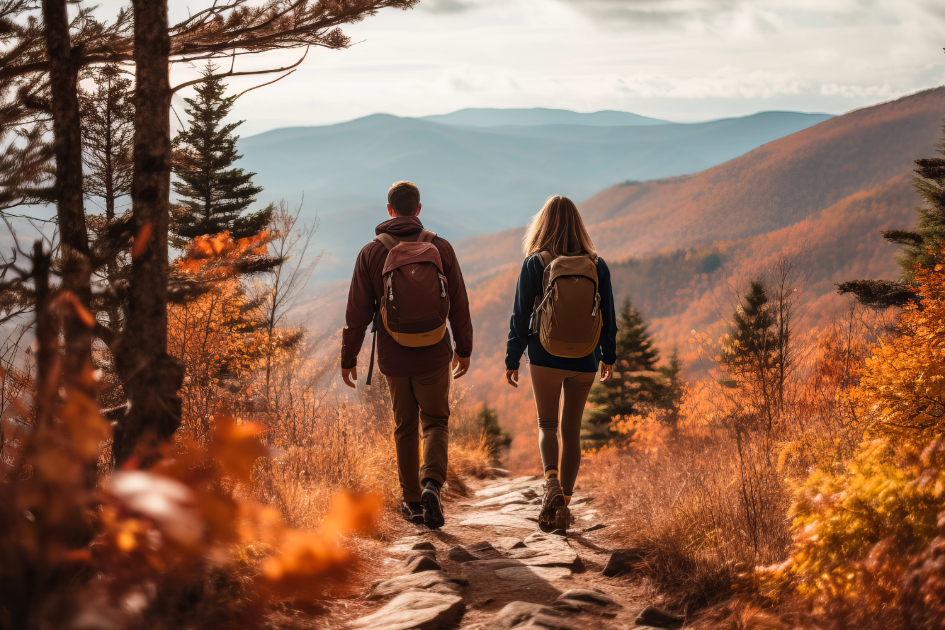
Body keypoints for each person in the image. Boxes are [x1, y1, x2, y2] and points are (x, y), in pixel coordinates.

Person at [341, 181, 473, 529]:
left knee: (405, 427)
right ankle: (432, 485)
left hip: (394, 355)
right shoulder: (440, 247)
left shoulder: (371, 253)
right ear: (418, 209)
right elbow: (458, 301)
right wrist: (464, 348)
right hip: (434, 351)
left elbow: (356, 312)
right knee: (436, 421)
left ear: (389, 210)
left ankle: (412, 502)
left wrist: (348, 357)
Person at [505, 195, 617, 533]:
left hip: (544, 356)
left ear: (543, 225)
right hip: (585, 358)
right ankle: (563, 504)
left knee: (547, 425)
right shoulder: (597, 265)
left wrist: (513, 358)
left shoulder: (535, 263)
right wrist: (608, 356)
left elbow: (520, 317)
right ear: (578, 226)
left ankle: (551, 481)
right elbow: (609, 317)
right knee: (572, 431)